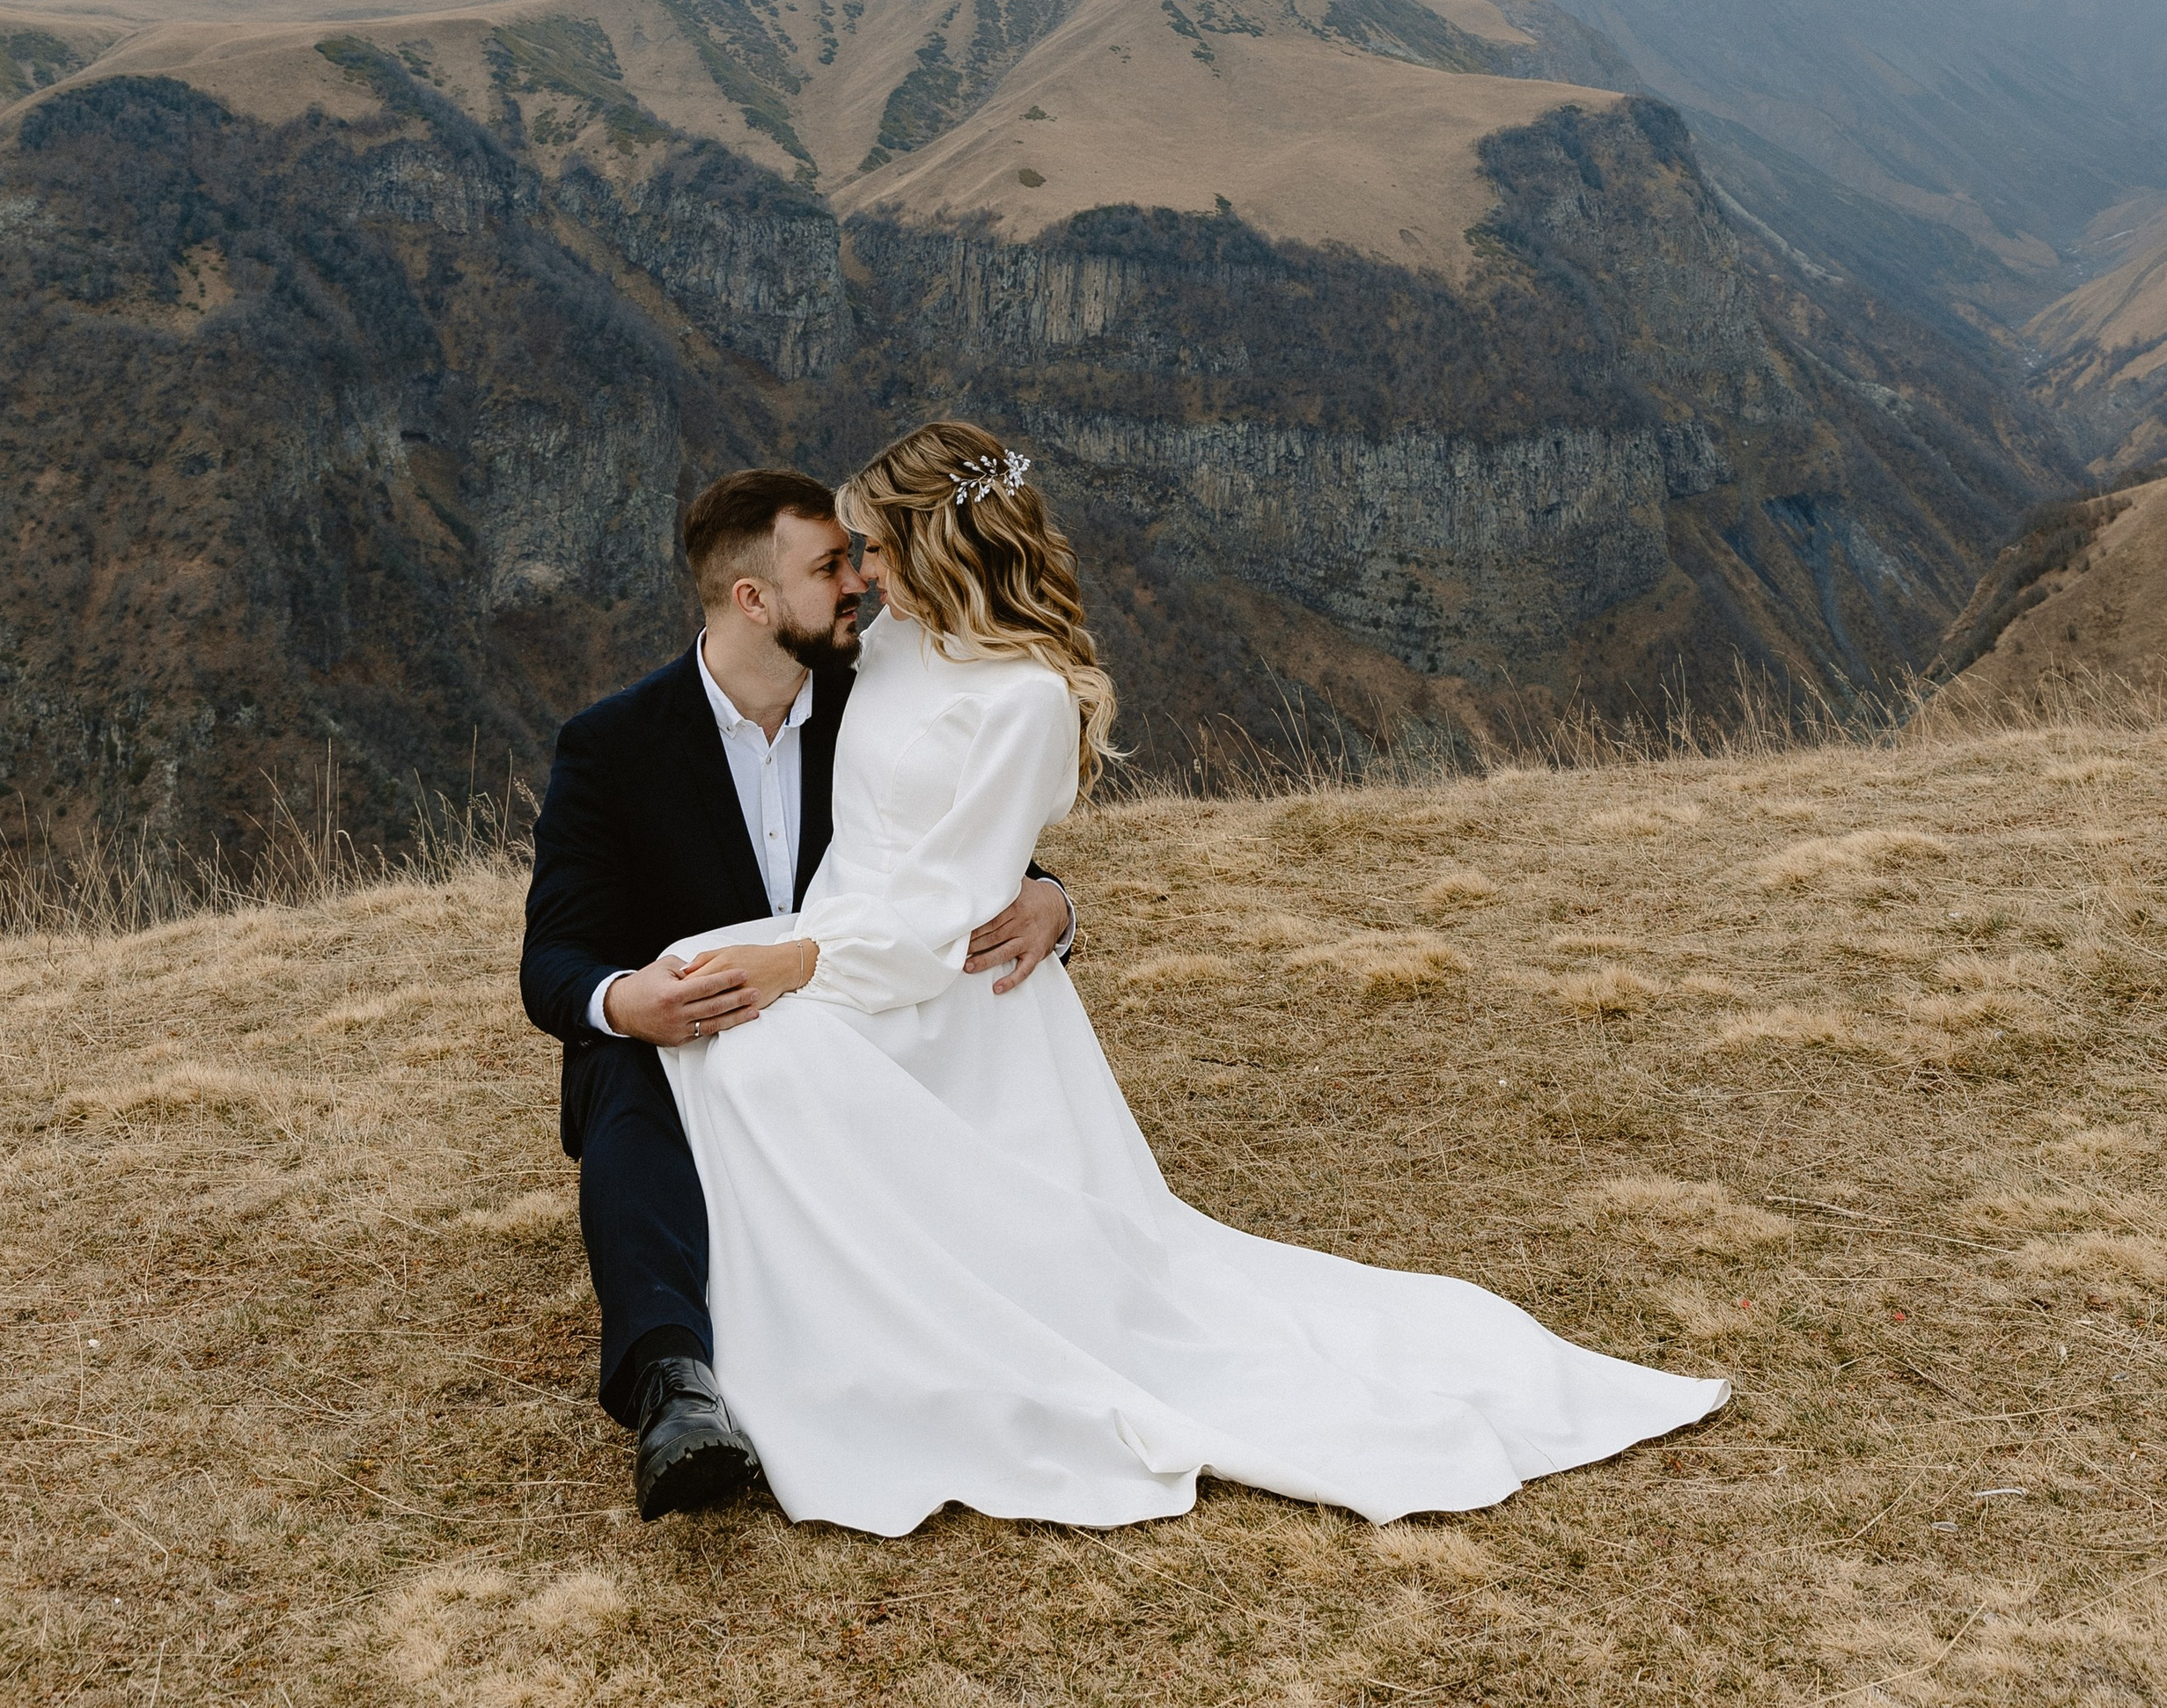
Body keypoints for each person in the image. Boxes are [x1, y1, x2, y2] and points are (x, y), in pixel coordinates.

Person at [651, 418, 1729, 1536]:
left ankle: (856, 1342)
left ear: (935, 546)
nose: (859, 576)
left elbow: (952, 904)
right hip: (849, 935)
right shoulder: (894, 645)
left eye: (874, 549)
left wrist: (812, 958)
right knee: (686, 995)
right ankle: (780, 1316)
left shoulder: (1022, 699)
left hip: (940, 988)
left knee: (762, 1052)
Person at [518, 465, 1074, 1519]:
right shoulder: (612, 745)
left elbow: (945, 855)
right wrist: (624, 1001)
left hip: (862, 1018)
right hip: (687, 1029)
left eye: (859, 556)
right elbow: (553, 958)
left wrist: (1051, 899)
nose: (861, 581)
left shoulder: (882, 697)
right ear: (752, 600)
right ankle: (675, 1385)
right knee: (617, 1067)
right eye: (830, 566)